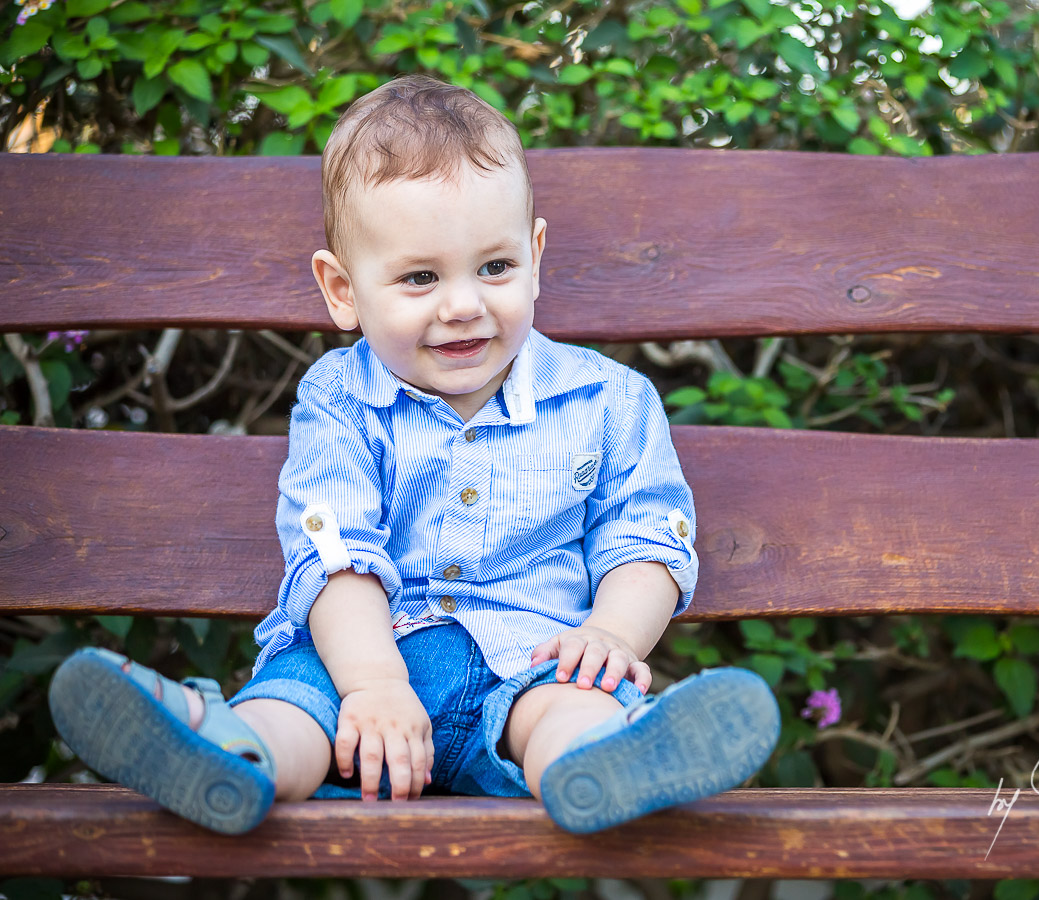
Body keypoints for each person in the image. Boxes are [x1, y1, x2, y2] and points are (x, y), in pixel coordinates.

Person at [48, 73, 779, 836]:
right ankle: (231, 755)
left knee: (571, 708)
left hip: (526, 666)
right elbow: (335, 554)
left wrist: (610, 638)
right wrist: (373, 684)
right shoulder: (341, 399)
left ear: (534, 256)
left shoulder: (607, 401)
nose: (462, 304)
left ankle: (603, 763)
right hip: (358, 667)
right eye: (420, 277)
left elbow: (647, 536)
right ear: (342, 290)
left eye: (494, 268)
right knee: (294, 706)